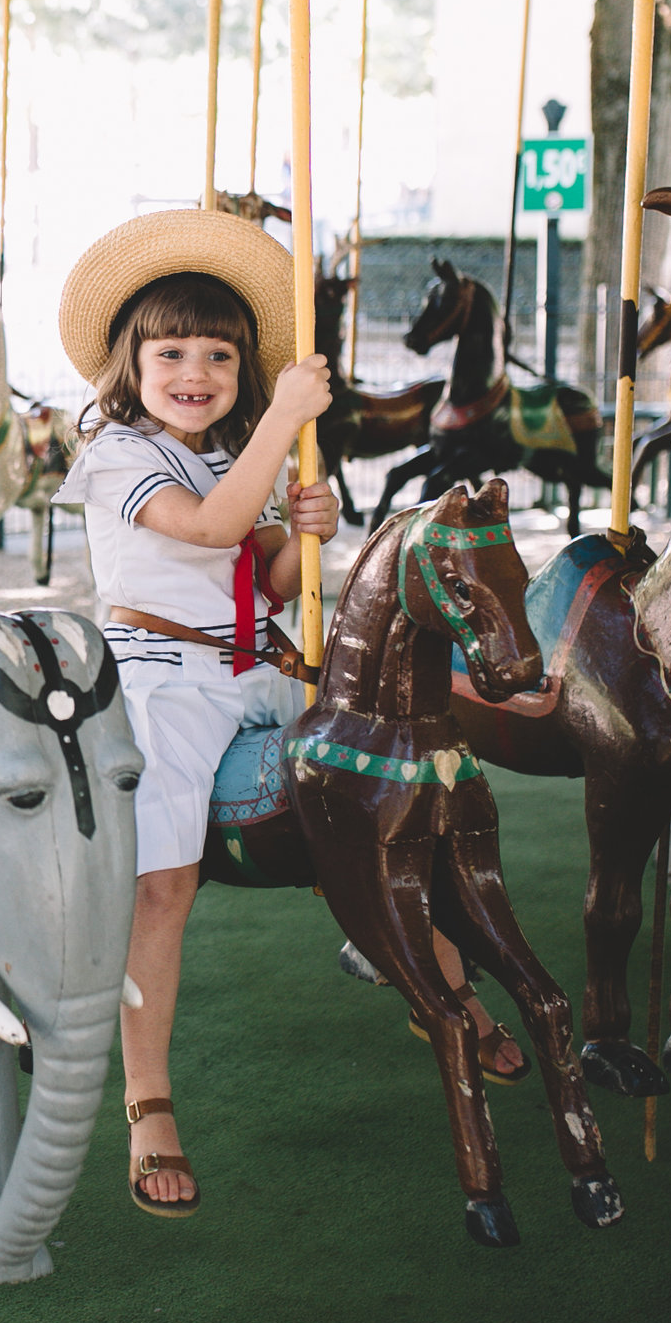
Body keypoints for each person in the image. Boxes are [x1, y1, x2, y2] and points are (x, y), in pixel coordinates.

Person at [56, 212, 526, 1220]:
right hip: (160, 679)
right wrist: (280, 424)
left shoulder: (225, 449)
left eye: (219, 354)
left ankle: (427, 977)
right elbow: (207, 526)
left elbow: (256, 567)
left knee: (386, 785)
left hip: (252, 666)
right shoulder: (114, 451)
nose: (195, 370)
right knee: (164, 880)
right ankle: (145, 1098)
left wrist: (300, 534)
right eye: (170, 351)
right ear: (127, 363)